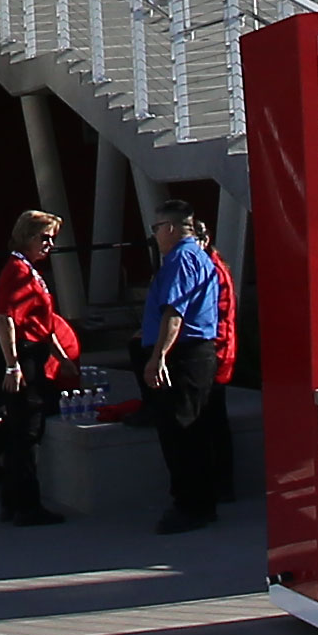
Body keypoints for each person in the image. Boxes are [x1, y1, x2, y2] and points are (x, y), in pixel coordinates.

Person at [141, 202, 233, 534]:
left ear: (170, 228)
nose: (155, 237)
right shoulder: (199, 256)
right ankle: (198, 501)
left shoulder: (180, 258)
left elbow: (175, 313)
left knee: (181, 430)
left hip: (185, 353)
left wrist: (159, 356)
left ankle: (191, 505)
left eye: (156, 229)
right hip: (196, 352)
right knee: (193, 427)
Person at [0, 212, 80, 527]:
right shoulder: (16, 271)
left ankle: (13, 502)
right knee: (25, 431)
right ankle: (26, 506)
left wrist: (61, 356)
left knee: (23, 430)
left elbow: (44, 322)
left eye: (52, 238)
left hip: (33, 352)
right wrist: (13, 365)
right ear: (26, 236)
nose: (49, 245)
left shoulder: (30, 271)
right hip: (22, 357)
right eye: (44, 238)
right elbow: (5, 319)